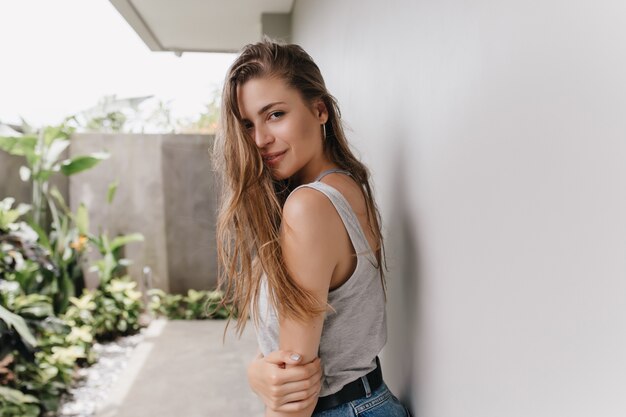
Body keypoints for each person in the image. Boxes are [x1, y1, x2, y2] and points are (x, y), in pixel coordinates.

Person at [213, 38, 410, 417]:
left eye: (275, 115)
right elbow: (290, 353)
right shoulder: (344, 188)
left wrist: (268, 379)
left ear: (319, 110)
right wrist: (257, 371)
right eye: (248, 124)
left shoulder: (309, 206)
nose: (259, 139)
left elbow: (296, 396)